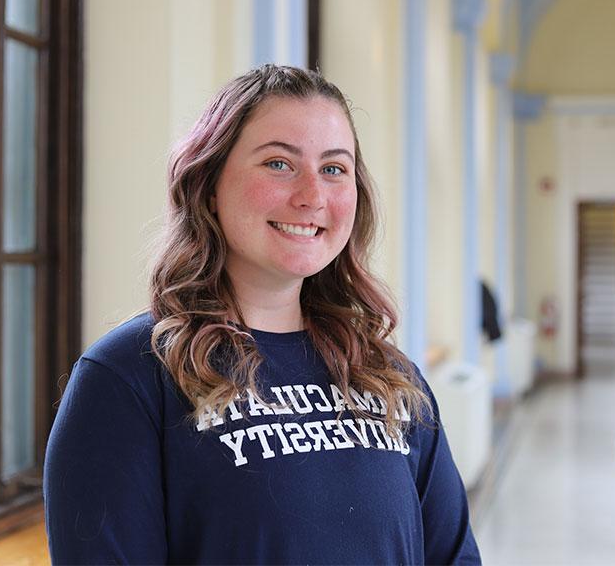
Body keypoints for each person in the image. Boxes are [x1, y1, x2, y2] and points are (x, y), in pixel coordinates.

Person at [43, 64, 481, 565]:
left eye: (334, 169)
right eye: (279, 163)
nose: (312, 196)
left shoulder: (389, 377)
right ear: (209, 184)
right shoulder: (129, 379)